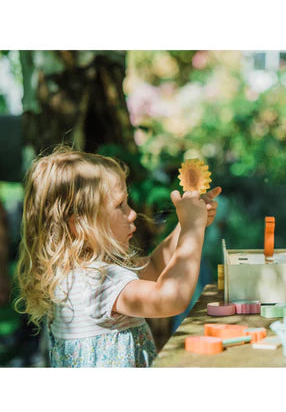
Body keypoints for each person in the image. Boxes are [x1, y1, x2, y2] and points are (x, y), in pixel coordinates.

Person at [14, 146, 221, 367]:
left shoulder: (83, 272)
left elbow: (153, 266)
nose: (132, 213)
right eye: (119, 205)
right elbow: (169, 299)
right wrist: (192, 228)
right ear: (80, 225)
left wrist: (185, 223)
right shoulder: (97, 282)